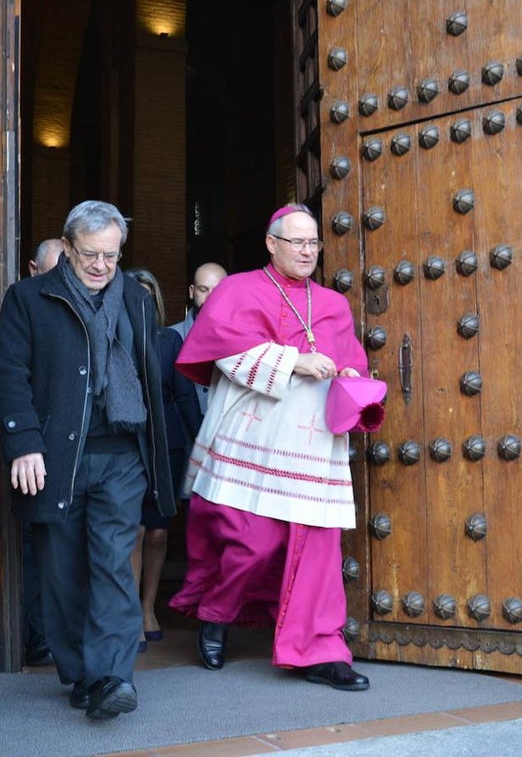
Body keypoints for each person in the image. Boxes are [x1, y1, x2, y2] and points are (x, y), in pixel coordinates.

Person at [168, 203, 372, 692]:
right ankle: (215, 615)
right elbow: (219, 352)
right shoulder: (238, 289)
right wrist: (293, 363)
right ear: (271, 243)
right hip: (254, 442)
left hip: (313, 445)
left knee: (318, 552)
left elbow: (351, 361)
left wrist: (348, 376)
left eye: (313, 243)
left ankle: (320, 649)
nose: (307, 251)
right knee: (252, 544)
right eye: (297, 242)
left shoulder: (332, 303)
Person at [0, 201, 176, 721]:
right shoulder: (29, 298)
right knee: (61, 570)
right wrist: (23, 441)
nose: (100, 265)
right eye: (90, 254)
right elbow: (9, 376)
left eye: (111, 256)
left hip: (122, 454)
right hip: (57, 456)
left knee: (114, 564)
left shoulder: (137, 300)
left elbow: (145, 375)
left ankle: (113, 675)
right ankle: (81, 674)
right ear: (68, 248)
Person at [123, 268, 202, 653]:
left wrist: (204, 442)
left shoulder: (169, 340)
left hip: (166, 446)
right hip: (127, 446)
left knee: (157, 532)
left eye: (146, 295)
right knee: (134, 531)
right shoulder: (114, 338)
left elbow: (186, 396)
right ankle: (130, 618)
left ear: (154, 300)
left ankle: (147, 608)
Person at [19, 236, 66, 668]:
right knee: (34, 546)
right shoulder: (23, 305)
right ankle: (37, 636)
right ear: (34, 270)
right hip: (32, 449)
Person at [169, 262, 227, 415]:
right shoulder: (169, 338)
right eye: (204, 289)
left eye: (218, 290)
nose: (211, 297)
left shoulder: (244, 338)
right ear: (191, 291)